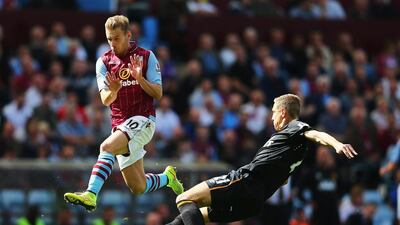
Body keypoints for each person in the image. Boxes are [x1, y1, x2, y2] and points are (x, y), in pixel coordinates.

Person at [167, 94, 357, 225]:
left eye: (274, 111)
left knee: (184, 198)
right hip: (256, 201)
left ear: (283, 112)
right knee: (197, 216)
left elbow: (315, 134)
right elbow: (283, 178)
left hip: (244, 181)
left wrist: (336, 144)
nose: (272, 116)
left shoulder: (295, 127)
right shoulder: (292, 148)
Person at [64, 15, 184, 211]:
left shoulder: (146, 57)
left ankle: (90, 194)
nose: (112, 43)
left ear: (129, 35)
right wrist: (114, 89)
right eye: (109, 38)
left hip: (144, 120)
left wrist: (140, 78)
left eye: (117, 38)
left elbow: (158, 93)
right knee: (138, 186)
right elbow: (105, 100)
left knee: (107, 147)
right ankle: (167, 178)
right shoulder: (103, 62)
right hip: (120, 125)